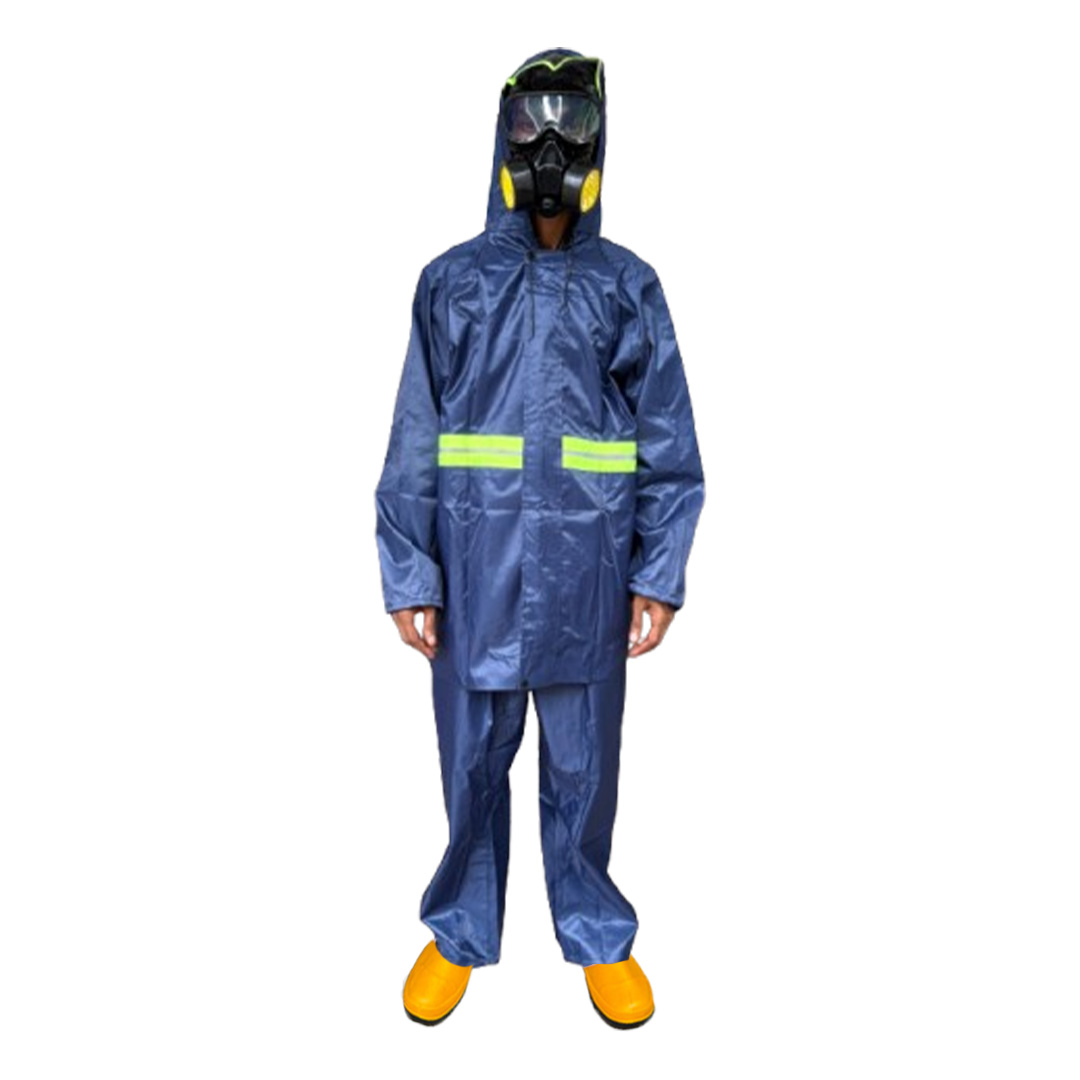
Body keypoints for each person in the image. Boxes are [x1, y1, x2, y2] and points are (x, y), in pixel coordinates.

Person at [375, 47, 704, 1029]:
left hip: (586, 578)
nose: (549, 144)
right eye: (530, 122)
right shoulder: (452, 283)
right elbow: (415, 434)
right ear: (502, 135)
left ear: (600, 139)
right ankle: (459, 933)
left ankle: (597, 932)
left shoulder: (628, 286)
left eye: (570, 121)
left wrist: (657, 572)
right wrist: (410, 570)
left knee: (583, 768)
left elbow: (669, 443)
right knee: (471, 764)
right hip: (476, 573)